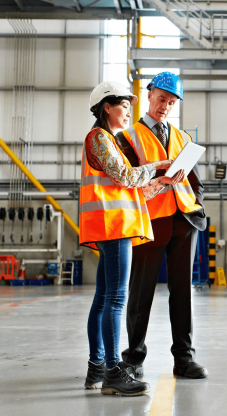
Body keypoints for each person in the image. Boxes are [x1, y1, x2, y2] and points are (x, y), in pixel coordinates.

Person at [80, 81, 184, 396]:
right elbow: (127, 177)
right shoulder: (99, 138)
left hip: (113, 224)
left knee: (102, 299)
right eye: (124, 105)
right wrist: (157, 166)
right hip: (113, 226)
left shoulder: (106, 141)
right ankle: (112, 370)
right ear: (106, 107)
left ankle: (97, 367)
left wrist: (163, 181)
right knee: (114, 299)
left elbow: (129, 188)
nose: (128, 111)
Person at [117, 72, 208, 379]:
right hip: (149, 221)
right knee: (141, 292)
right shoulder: (128, 137)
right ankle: (133, 359)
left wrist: (198, 205)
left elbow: (195, 181)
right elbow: (125, 181)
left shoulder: (184, 138)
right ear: (149, 95)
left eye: (171, 102)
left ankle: (184, 358)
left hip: (184, 220)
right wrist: (158, 178)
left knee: (183, 292)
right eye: (161, 99)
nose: (165, 106)